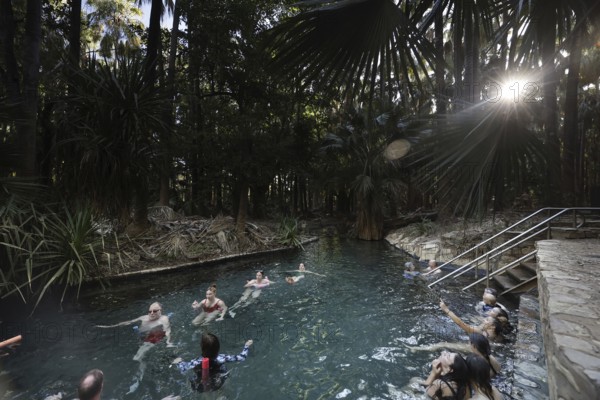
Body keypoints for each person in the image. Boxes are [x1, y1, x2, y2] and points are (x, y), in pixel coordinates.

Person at [172, 333, 253, 392]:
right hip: (218, 384)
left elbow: (183, 369)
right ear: (218, 348)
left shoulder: (195, 362)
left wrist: (179, 362)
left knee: (191, 379)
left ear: (201, 347)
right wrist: (246, 346)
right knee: (224, 374)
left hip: (201, 388)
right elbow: (242, 357)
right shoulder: (222, 358)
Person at [97, 301, 173, 360]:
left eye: (155, 311)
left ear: (160, 311)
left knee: (137, 357)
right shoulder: (144, 317)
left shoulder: (164, 319)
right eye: (150, 311)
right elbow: (129, 322)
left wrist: (168, 342)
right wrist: (109, 326)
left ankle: (141, 371)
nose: (151, 313)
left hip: (153, 337)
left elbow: (167, 330)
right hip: (141, 337)